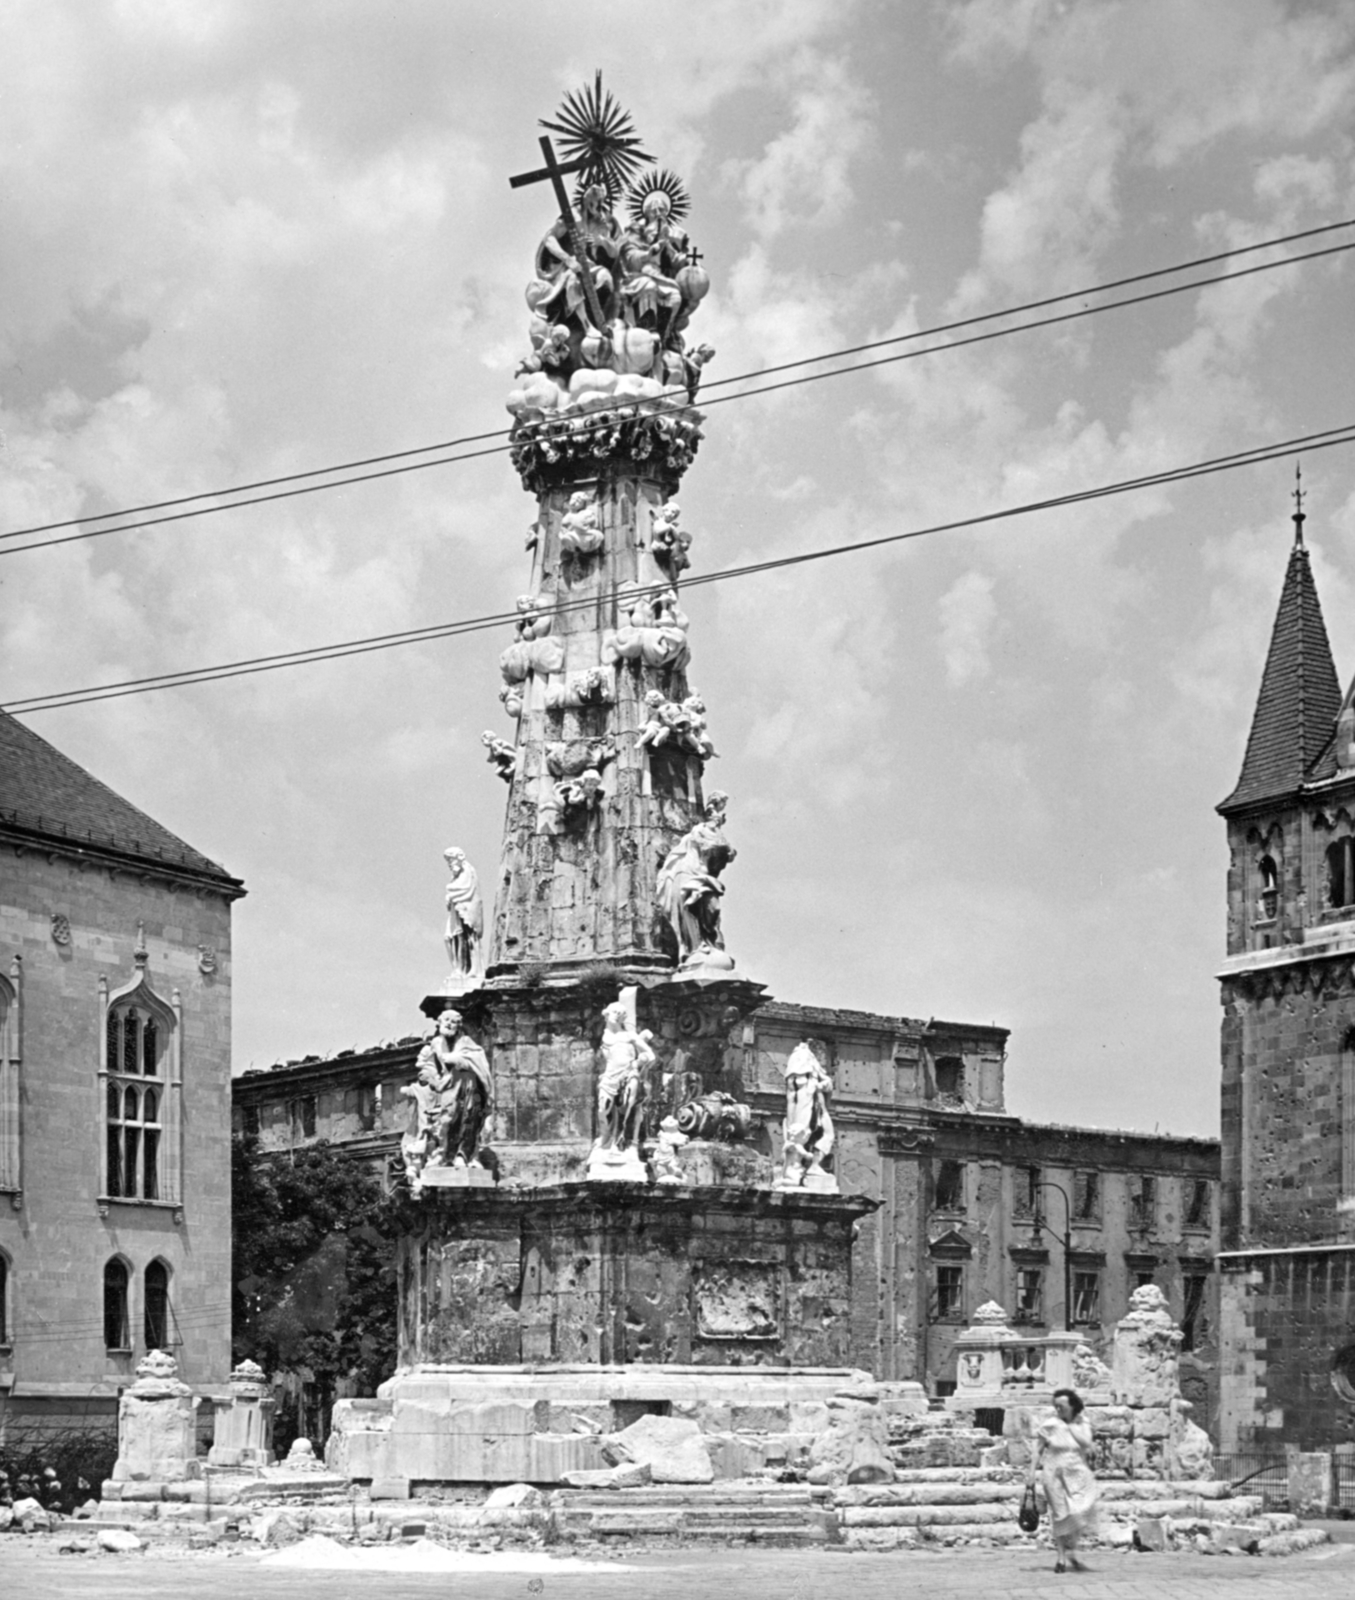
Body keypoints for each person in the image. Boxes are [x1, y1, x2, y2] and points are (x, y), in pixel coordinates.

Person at [1030, 1386, 1098, 1572]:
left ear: (1073, 1406)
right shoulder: (1050, 1425)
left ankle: (1071, 1548)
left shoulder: (1083, 1423)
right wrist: (1030, 1475)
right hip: (1053, 1474)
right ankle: (1060, 1558)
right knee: (1060, 1515)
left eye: (1062, 1406)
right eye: (1056, 1406)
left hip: (1078, 1474)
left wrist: (1069, 1425)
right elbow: (1037, 1451)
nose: (1058, 1410)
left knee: (1080, 1511)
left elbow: (1086, 1443)